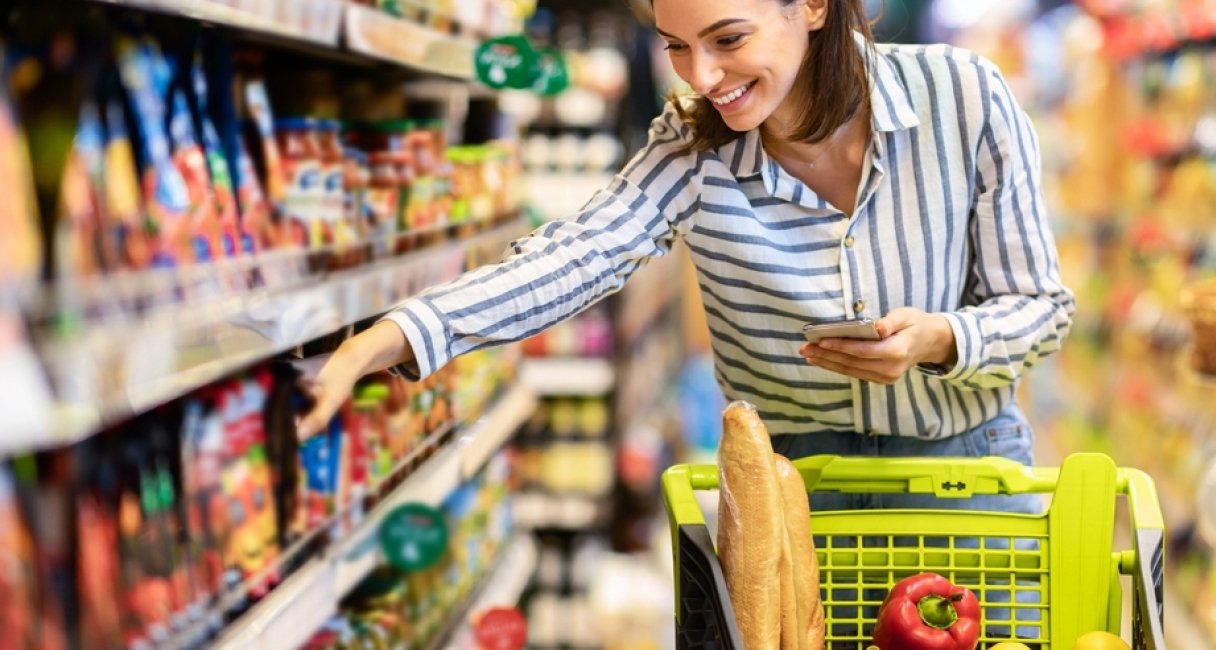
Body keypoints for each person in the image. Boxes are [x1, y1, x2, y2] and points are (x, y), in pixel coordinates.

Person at [297, 0, 1073, 518]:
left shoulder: (964, 96)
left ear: (810, 6)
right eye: (676, 46)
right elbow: (579, 254)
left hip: (966, 478)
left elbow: (1040, 307)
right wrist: (389, 336)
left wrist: (941, 340)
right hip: (786, 495)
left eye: (728, 39)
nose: (702, 78)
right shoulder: (693, 145)